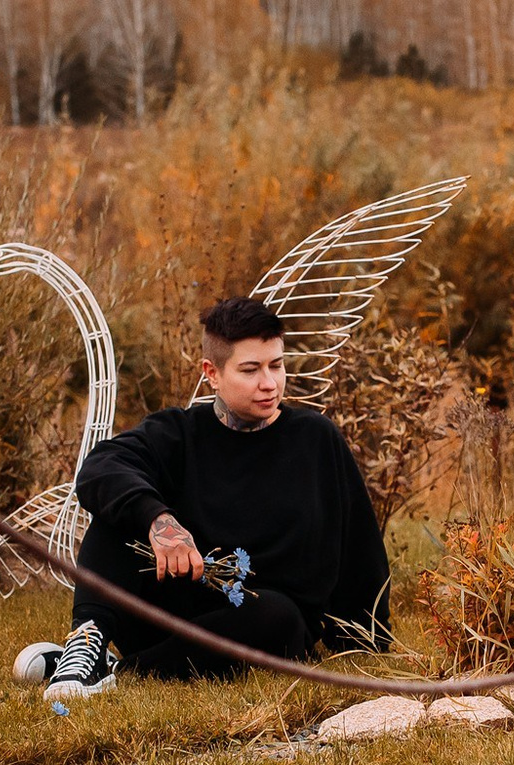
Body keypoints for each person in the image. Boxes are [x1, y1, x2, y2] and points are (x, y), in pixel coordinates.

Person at [23, 296, 392, 703]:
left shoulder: (315, 439)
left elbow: (359, 544)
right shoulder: (178, 433)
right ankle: (88, 641)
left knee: (280, 618)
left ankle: (118, 671)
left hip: (258, 625)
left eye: (277, 365)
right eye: (250, 370)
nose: (269, 383)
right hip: (165, 614)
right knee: (122, 508)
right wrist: (158, 520)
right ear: (211, 374)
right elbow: (99, 469)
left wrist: (365, 637)